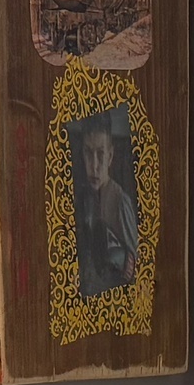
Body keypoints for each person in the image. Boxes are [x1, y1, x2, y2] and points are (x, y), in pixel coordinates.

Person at [73, 114, 141, 297]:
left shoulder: (120, 202)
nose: (94, 165)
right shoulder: (84, 198)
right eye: (88, 153)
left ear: (110, 156)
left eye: (100, 154)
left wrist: (127, 263)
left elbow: (139, 267)